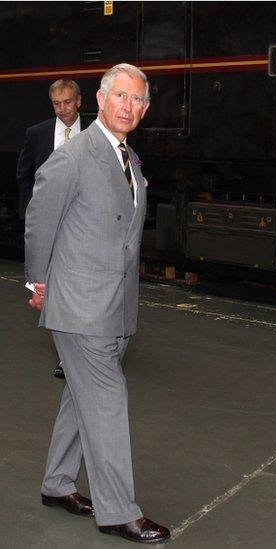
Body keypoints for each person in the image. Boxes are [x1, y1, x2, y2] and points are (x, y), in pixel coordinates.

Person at [25, 63, 170, 544]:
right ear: (101, 100)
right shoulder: (75, 156)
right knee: (106, 402)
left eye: (138, 101)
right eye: (121, 97)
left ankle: (57, 484)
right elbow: (40, 219)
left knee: (80, 397)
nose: (129, 107)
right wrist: (37, 283)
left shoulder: (128, 157)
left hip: (115, 306)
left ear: (144, 110)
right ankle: (117, 511)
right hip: (80, 306)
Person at [17, 78, 91, 379]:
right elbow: (24, 177)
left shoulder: (97, 132)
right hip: (52, 227)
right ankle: (67, 357)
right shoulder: (38, 134)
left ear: (79, 101)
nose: (63, 110)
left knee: (84, 290)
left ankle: (85, 351)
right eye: (57, 104)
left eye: (68, 103)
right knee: (55, 292)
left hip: (86, 226)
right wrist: (33, 217)